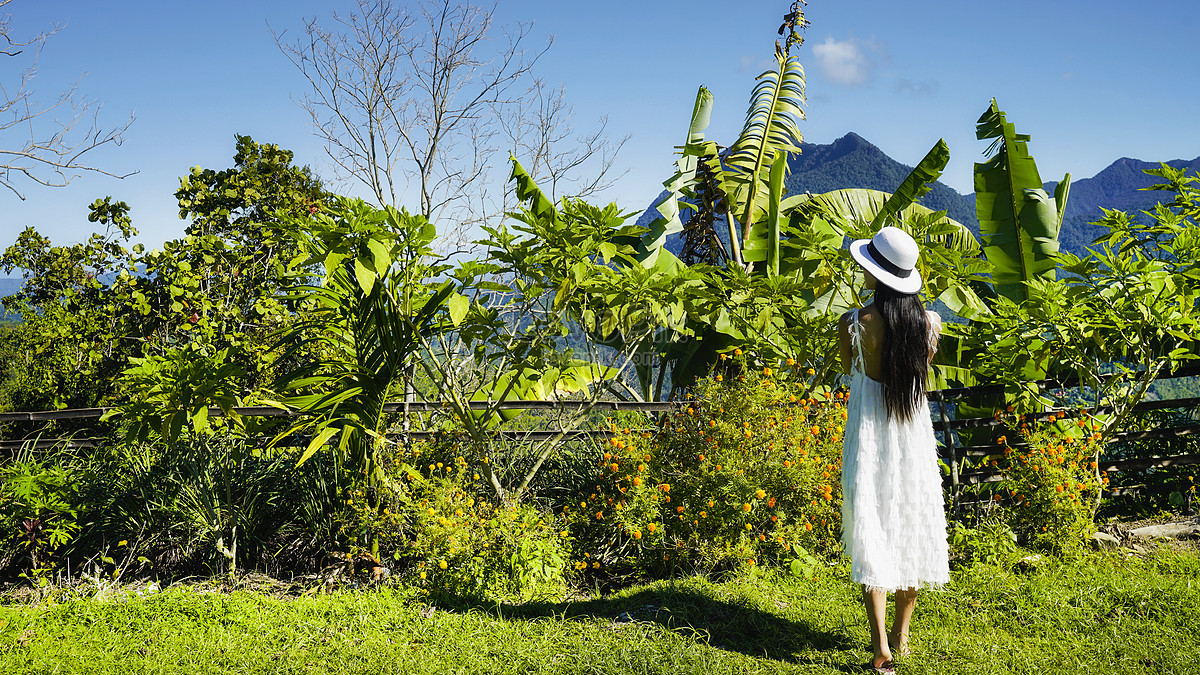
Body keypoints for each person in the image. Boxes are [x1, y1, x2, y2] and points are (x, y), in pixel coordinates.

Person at [837, 226, 950, 674]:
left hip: (869, 432)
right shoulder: (928, 324)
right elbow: (919, 372)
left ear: (876, 274)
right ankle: (903, 636)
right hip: (912, 434)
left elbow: (850, 369)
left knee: (873, 524)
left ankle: (881, 643)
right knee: (911, 521)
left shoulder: (853, 323)